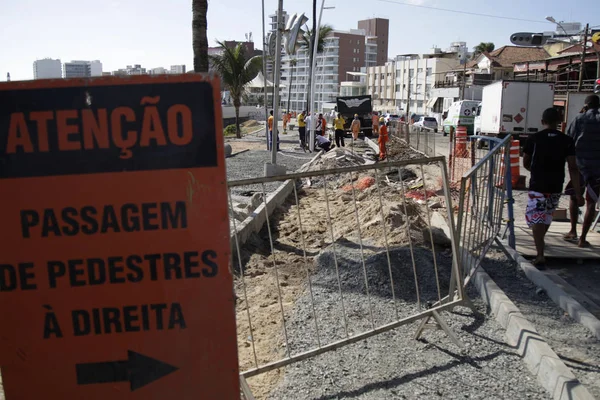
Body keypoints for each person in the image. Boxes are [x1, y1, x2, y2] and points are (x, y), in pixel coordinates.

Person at [523, 108, 584, 268]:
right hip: (556, 185)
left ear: (543, 121)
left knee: (536, 216)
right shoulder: (567, 140)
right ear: (559, 123)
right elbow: (573, 167)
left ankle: (540, 254)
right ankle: (540, 244)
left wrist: (534, 171)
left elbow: (526, 162)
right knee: (548, 214)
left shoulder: (534, 138)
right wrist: (578, 193)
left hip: (538, 185)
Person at [564, 94, 600, 248]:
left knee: (574, 195)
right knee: (591, 202)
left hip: (579, 164)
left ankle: (573, 230)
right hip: (597, 167)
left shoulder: (580, 118)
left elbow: (569, 138)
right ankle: (582, 239)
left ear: (586, 105)